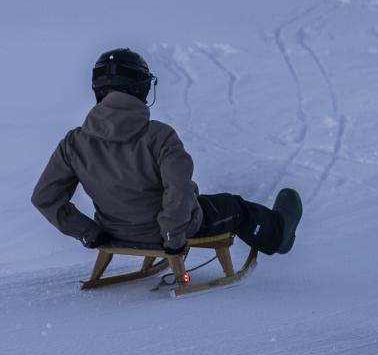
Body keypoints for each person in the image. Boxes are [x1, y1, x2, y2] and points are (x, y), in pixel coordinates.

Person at [32, 48, 303, 257]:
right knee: (235, 207)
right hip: (167, 233)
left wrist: (88, 232)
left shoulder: (74, 143)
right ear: (141, 88)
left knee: (191, 200)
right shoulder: (158, 136)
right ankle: (279, 234)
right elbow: (179, 190)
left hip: (112, 231)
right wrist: (173, 237)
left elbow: (45, 197)